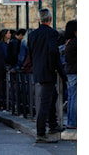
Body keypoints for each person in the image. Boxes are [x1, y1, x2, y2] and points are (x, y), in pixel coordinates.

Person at [28, 9, 64, 143]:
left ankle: (53, 124)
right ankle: (41, 132)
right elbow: (54, 53)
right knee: (45, 102)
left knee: (51, 96)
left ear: (38, 19)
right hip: (49, 71)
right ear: (50, 19)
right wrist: (61, 72)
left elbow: (31, 54)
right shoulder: (52, 34)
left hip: (39, 70)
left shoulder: (32, 35)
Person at [64, 20, 77, 129]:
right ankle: (73, 122)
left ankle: (71, 121)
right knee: (75, 98)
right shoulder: (75, 42)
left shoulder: (68, 42)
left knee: (71, 97)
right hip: (75, 71)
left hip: (70, 71)